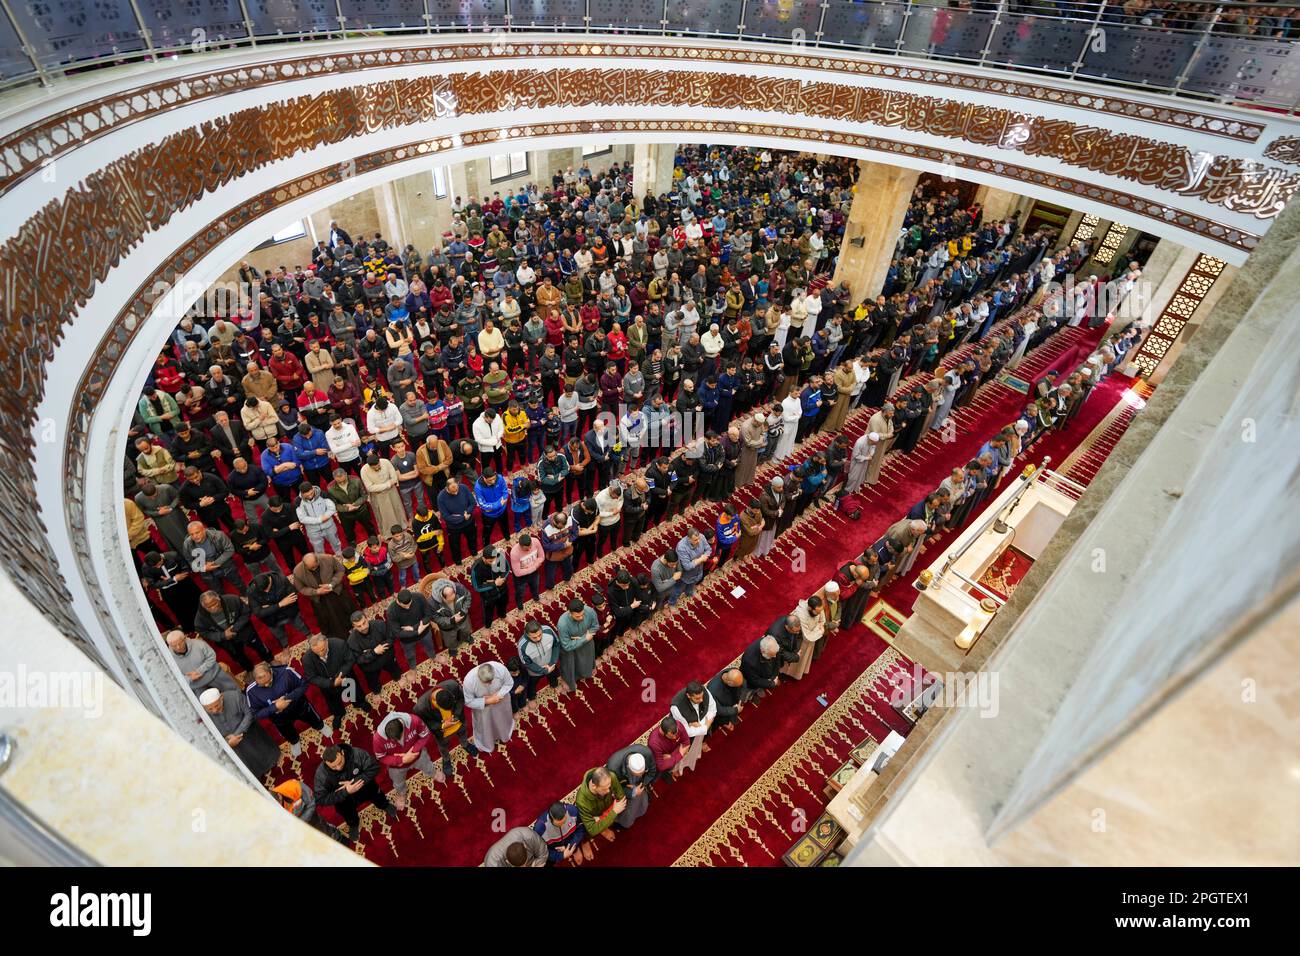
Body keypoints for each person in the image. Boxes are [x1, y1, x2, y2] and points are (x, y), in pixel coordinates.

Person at [313, 742, 397, 840]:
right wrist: (345, 791)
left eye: (339, 762)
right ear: (325, 762)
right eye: (333, 767)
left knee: (377, 795)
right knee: (348, 813)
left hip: (366, 786)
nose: (338, 768)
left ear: (342, 753)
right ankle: (353, 824)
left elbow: (375, 767)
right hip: (343, 799)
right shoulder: (321, 775)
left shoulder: (357, 754)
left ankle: (384, 805)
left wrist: (354, 783)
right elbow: (320, 799)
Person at [200, 687, 281, 780]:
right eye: (210, 709)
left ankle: (272, 760)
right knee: (247, 758)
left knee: (260, 748)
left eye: (217, 706)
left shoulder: (235, 697)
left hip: (249, 730)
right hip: (231, 741)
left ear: (221, 697)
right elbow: (210, 734)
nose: (214, 710)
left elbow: (249, 713)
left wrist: (237, 734)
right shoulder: (203, 714)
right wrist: (227, 742)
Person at [245, 661, 325, 753]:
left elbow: (304, 684)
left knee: (313, 718)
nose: (266, 685)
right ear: (255, 679)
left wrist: (287, 699)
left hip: (299, 707)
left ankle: (320, 726)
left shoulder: (286, 672)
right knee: (288, 733)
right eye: (262, 684)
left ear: (271, 671)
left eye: (268, 681)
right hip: (280, 719)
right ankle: (295, 741)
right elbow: (255, 713)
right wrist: (275, 707)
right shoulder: (251, 691)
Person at [373, 710, 441, 809]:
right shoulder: (378, 739)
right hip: (396, 766)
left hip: (418, 755)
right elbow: (381, 757)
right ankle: (401, 793)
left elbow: (425, 735)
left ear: (403, 725)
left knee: (428, 765)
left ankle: (433, 773)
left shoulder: (414, 720)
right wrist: (402, 760)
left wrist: (413, 752)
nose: (398, 741)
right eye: (394, 740)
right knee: (398, 782)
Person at [412, 677, 480, 775]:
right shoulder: (420, 708)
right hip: (443, 733)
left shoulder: (452, 685)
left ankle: (465, 744)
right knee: (443, 746)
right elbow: (425, 725)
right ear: (437, 704)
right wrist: (443, 725)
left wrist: (456, 715)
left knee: (463, 733)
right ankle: (446, 759)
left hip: (459, 722)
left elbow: (461, 698)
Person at [194, 589, 270, 672]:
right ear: (203, 606)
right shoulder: (200, 618)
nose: (213, 608)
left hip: (245, 631)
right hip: (226, 641)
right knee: (239, 657)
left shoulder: (232, 600)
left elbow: (246, 612)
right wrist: (223, 635)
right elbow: (204, 632)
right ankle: (249, 670)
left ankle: (270, 659)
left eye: (215, 603)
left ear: (218, 598)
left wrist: (235, 628)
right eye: (209, 607)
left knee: (260, 647)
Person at [302, 632, 368, 724]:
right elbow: (312, 677)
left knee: (354, 692)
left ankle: (359, 703)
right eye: (316, 652)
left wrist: (340, 676)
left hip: (345, 677)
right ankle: (338, 713)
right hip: (327, 685)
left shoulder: (339, 644)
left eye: (322, 650)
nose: (320, 654)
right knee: (333, 701)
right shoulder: (306, 659)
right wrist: (331, 683)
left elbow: (349, 660)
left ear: (327, 642)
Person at [290, 551, 357, 640]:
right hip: (319, 599)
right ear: (305, 565)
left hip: (336, 591)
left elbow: (340, 570)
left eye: (315, 566)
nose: (314, 569)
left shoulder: (328, 558)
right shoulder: (297, 571)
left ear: (317, 560)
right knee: (328, 621)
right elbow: (301, 588)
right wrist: (316, 591)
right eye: (311, 568)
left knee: (347, 612)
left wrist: (331, 584)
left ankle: (354, 627)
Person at [166, 629, 240, 696]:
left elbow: (211, 657)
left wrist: (199, 671)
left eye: (179, 643)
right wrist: (189, 678)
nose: (178, 647)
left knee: (233, 691)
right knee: (205, 707)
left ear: (184, 638)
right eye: (174, 646)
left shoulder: (199, 644)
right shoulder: (169, 659)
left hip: (213, 674)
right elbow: (173, 677)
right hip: (195, 684)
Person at [463, 661, 515, 752]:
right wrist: (486, 701)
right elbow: (468, 701)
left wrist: (498, 695)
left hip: (501, 702)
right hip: (483, 710)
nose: (490, 684)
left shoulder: (500, 669)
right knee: (485, 726)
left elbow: (509, 683)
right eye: (487, 682)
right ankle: (485, 743)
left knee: (502, 720)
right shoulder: (469, 681)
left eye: (491, 680)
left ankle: (504, 733)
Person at [347, 611, 402, 696]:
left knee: (394, 669)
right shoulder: (351, 640)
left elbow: (391, 637)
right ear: (354, 627)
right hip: (370, 666)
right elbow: (358, 659)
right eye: (359, 626)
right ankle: (376, 691)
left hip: (387, 657)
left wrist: (380, 647)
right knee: (372, 680)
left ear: (367, 618)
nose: (363, 627)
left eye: (364, 623)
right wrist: (374, 652)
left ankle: (397, 678)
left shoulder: (380, 624)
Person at [606, 745, 657, 829]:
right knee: (628, 814)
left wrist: (642, 784)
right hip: (625, 789)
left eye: (642, 772)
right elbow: (614, 789)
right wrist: (633, 792)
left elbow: (652, 772)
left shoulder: (646, 753)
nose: (641, 775)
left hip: (638, 785)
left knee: (643, 804)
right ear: (629, 768)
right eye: (638, 774)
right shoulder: (613, 768)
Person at [669, 680, 716, 770]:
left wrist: (702, 726)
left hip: (700, 727)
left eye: (702, 697)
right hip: (683, 734)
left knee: (695, 747)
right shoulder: (676, 706)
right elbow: (685, 730)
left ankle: (696, 751)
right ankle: (675, 768)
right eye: (697, 699)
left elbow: (712, 710)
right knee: (679, 753)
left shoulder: (704, 691)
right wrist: (705, 727)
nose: (701, 700)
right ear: (688, 696)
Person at [183, 520, 242, 591]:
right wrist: (203, 568)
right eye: (191, 534)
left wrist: (215, 563)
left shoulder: (218, 535)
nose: (195, 536)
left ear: (204, 530)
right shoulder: (187, 544)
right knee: (217, 591)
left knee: (238, 583)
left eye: (197, 532)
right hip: (207, 573)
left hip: (226, 566)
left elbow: (230, 549)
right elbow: (189, 560)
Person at [387, 587, 440, 665]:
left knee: (430, 646)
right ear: (398, 601)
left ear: (411, 597)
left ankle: (433, 656)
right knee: (410, 655)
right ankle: (413, 667)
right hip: (407, 639)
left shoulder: (419, 597)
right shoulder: (391, 611)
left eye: (410, 604)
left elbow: (428, 615)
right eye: (405, 606)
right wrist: (417, 632)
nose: (408, 607)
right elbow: (397, 633)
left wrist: (413, 628)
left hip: (425, 632)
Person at [556, 597, 598, 693]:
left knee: (587, 659)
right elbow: (566, 645)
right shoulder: (562, 623)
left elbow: (595, 626)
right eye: (577, 616)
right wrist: (585, 638)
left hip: (587, 644)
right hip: (571, 651)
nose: (581, 618)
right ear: (570, 613)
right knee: (569, 665)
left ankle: (586, 671)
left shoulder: (590, 611)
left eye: (582, 615)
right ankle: (568, 681)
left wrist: (587, 635)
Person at [576, 766, 627, 844]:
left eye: (609, 787)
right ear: (594, 786)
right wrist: (613, 812)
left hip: (608, 809)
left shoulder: (610, 777)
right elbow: (592, 830)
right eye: (604, 789)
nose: (608, 791)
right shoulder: (581, 801)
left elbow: (621, 798)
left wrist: (610, 814)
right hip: (598, 816)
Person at [361, 452, 406, 537]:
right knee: (383, 516)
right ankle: (387, 534)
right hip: (378, 497)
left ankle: (402, 527)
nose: (377, 468)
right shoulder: (364, 470)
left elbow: (394, 478)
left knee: (397, 509)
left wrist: (381, 486)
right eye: (375, 467)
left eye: (378, 465)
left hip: (392, 492)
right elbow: (370, 488)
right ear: (370, 466)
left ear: (379, 461)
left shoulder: (386, 462)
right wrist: (388, 485)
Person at [516, 618, 561, 702]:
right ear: (527, 634)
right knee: (532, 685)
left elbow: (556, 644)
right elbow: (526, 663)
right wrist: (542, 670)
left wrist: (552, 663)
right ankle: (532, 698)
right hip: (534, 672)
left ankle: (554, 685)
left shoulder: (548, 630)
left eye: (540, 635)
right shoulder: (522, 645)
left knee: (553, 677)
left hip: (551, 665)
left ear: (541, 629)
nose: (538, 639)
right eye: (534, 637)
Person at [783, 595, 826, 680]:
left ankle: (797, 674)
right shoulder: (801, 614)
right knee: (795, 661)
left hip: (811, 638)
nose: (819, 613)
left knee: (802, 661)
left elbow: (822, 621)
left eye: (820, 611)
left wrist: (815, 630)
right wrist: (820, 630)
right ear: (810, 608)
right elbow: (807, 637)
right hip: (799, 641)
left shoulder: (818, 608)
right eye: (817, 612)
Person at [296, 480, 342, 554]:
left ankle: (339, 553)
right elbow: (302, 518)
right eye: (307, 495)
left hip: (329, 525)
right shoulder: (298, 501)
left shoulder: (322, 494)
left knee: (335, 542)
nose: (310, 496)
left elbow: (332, 508)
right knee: (318, 549)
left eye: (311, 493)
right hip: (313, 530)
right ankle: (322, 561)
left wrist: (326, 516)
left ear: (313, 489)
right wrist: (319, 520)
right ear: (302, 493)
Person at [429, 578, 474, 651]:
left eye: (454, 593)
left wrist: (463, 610)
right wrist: (451, 620)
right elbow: (435, 617)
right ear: (443, 598)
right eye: (450, 597)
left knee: (466, 630)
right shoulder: (432, 603)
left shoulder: (459, 588)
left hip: (462, 618)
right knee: (450, 640)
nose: (454, 597)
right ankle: (453, 648)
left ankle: (466, 638)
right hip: (447, 626)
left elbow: (468, 597)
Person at [647, 715, 692, 781]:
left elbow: (687, 743)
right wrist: (680, 754)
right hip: (656, 763)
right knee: (656, 776)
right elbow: (660, 766)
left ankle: (669, 772)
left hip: (669, 758)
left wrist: (671, 756)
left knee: (669, 768)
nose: (675, 738)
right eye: (671, 736)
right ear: (663, 732)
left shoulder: (678, 725)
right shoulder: (654, 743)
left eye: (676, 734)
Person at [706, 667, 747, 733]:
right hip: (722, 710)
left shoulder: (734, 672)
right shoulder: (712, 690)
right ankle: (725, 723)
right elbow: (718, 710)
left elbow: (744, 684)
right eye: (736, 686)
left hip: (733, 702)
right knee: (720, 719)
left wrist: (740, 701)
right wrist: (736, 710)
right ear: (730, 683)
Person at [483, 826, 548, 867]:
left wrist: (536, 864)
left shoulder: (528, 835)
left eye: (525, 864)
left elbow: (543, 854)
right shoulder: (492, 863)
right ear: (507, 861)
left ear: (525, 846)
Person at [675, 526, 711, 599]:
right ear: (689, 539)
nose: (698, 541)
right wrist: (700, 559)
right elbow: (687, 566)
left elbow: (708, 549)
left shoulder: (701, 537)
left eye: (698, 539)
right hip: (685, 575)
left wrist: (701, 558)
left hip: (698, 571)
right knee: (678, 590)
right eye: (695, 540)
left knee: (692, 585)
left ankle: (689, 593)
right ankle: (672, 602)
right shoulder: (681, 547)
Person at [865, 403, 895, 485]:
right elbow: (875, 434)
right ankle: (866, 477)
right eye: (891, 413)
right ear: (885, 411)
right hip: (873, 442)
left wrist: (891, 431)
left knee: (877, 460)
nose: (892, 415)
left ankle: (871, 477)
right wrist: (888, 435)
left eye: (893, 413)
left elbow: (891, 424)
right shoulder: (876, 419)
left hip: (882, 442)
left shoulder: (887, 416)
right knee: (871, 460)